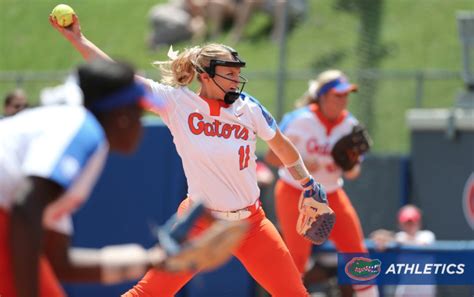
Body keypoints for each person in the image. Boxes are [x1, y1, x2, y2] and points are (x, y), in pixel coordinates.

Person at [50, 12, 327, 297]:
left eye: (237, 72)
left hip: (252, 224)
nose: (237, 79)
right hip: (199, 223)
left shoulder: (249, 108)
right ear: (206, 76)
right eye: (229, 73)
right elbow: (122, 81)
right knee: (147, 294)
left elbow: (281, 145)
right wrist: (79, 39)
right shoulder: (177, 103)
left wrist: (308, 183)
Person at [265, 69, 379, 297]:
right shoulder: (299, 119)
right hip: (295, 192)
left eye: (347, 94)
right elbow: (270, 157)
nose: (344, 99)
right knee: (297, 258)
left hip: (332, 193)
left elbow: (353, 173)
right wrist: (302, 162)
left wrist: (349, 165)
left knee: (358, 254)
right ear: (323, 96)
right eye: (338, 95)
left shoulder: (350, 125)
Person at [370, 204, 436, 297]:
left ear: (419, 223)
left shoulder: (427, 235)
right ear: (400, 224)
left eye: (412, 222)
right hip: (405, 292)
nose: (410, 226)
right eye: (406, 223)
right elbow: (382, 244)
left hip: (425, 293)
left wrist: (392, 239)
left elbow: (421, 244)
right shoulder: (399, 237)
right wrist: (383, 241)